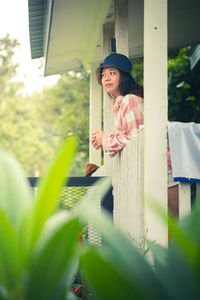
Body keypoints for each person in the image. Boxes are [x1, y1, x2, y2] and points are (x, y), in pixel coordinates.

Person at [91, 52, 144, 157]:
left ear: (124, 76)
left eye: (112, 73)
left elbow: (136, 138)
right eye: (103, 75)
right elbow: (125, 142)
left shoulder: (130, 99)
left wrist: (105, 139)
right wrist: (100, 141)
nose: (106, 78)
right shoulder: (120, 103)